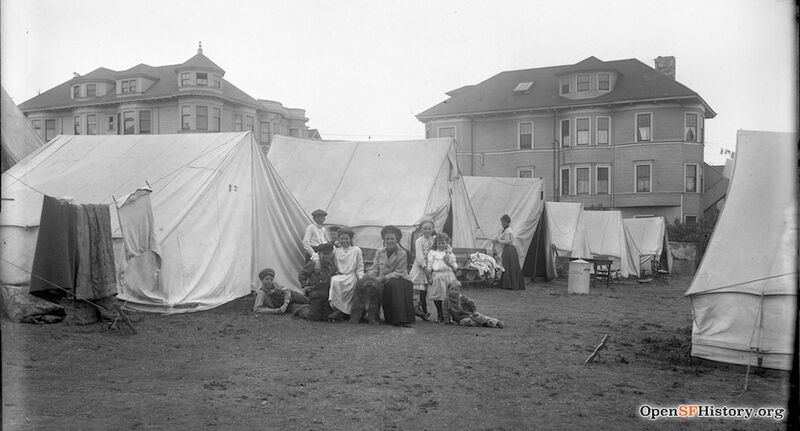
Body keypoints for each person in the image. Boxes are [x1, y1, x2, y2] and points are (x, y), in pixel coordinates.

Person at [368, 225, 415, 326]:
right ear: (384, 240)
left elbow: (399, 272)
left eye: (392, 238)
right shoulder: (379, 252)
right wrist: (371, 277)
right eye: (387, 239)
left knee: (392, 283)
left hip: (401, 281)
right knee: (368, 284)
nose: (390, 241)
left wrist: (383, 278)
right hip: (382, 280)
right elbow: (375, 267)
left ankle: (399, 319)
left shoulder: (402, 253)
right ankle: (372, 316)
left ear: (397, 239)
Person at [327, 227, 364, 320]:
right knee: (334, 281)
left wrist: (361, 278)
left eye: (346, 238)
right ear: (338, 239)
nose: (344, 241)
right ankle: (338, 309)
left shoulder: (356, 250)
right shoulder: (336, 250)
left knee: (351, 283)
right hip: (340, 275)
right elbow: (331, 261)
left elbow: (360, 266)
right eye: (342, 238)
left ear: (350, 239)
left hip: (351, 275)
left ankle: (347, 311)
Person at [298, 242, 337, 321]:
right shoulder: (313, 264)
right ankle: (302, 309)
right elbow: (302, 274)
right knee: (313, 317)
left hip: (327, 296)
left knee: (325, 318)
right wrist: (305, 286)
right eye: (324, 254)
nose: (327, 256)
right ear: (319, 254)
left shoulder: (332, 265)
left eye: (329, 254)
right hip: (316, 295)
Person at [426, 232, 458, 323]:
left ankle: (448, 314)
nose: (441, 245)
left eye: (443, 243)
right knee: (437, 296)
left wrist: (450, 264)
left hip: (448, 275)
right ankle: (440, 313)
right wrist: (429, 277)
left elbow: (454, 265)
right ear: (436, 243)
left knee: (449, 295)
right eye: (439, 243)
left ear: (446, 243)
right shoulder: (432, 253)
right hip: (437, 275)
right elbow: (429, 266)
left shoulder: (449, 253)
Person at [408, 218, 435, 320]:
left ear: (433, 229)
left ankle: (426, 311)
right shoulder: (419, 241)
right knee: (418, 290)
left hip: (431, 266)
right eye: (425, 229)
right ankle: (417, 310)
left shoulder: (434, 240)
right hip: (421, 267)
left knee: (427, 291)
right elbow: (419, 254)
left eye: (429, 229)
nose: (427, 231)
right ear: (421, 229)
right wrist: (424, 266)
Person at [493, 214, 526, 290]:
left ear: (507, 222)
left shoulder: (508, 230)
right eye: (502, 222)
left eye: (503, 222)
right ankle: (509, 284)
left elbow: (508, 241)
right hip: (507, 249)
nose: (502, 224)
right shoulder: (505, 230)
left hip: (509, 250)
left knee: (509, 266)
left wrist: (499, 240)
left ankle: (511, 284)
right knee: (507, 266)